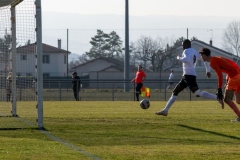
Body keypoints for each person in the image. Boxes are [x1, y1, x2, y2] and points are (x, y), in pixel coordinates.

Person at [155, 39, 224, 116]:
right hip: (187, 76)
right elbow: (205, 59)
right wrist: (208, 70)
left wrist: (179, 58)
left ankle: (217, 98)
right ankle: (165, 110)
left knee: (198, 92)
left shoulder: (186, 51)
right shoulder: (195, 51)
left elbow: (186, 59)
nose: (182, 47)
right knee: (175, 92)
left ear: (185, 45)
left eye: (183, 45)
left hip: (189, 76)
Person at [199, 47, 240, 122]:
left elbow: (220, 75)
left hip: (234, 77)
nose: (201, 57)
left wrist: (219, 88)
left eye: (202, 55)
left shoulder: (212, 62)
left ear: (205, 55)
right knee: (238, 100)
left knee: (227, 99)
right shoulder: (215, 58)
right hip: (236, 75)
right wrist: (227, 80)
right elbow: (230, 66)